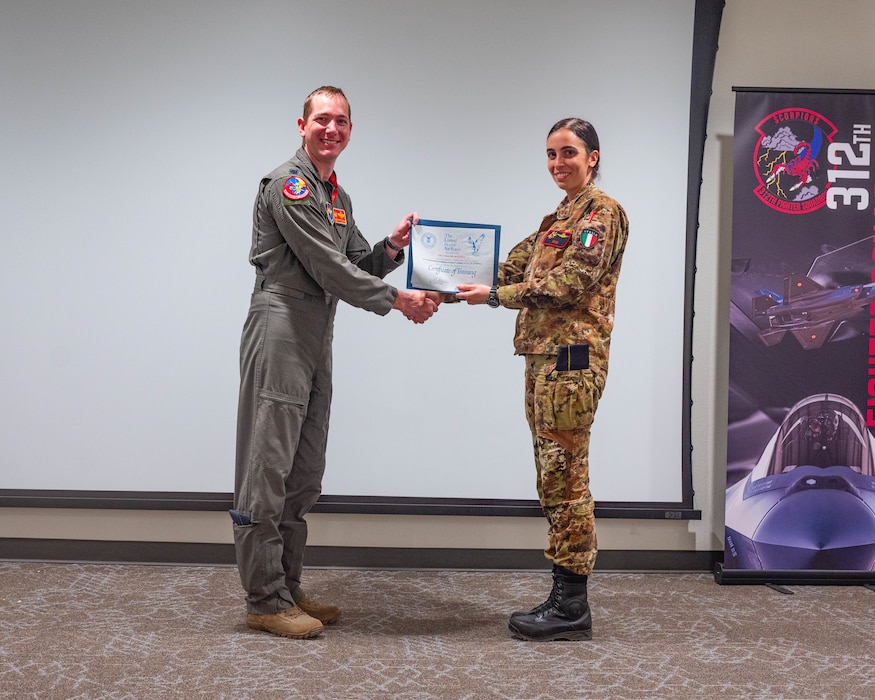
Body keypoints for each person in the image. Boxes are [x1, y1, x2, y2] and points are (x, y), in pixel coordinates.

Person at [231, 86, 436, 639]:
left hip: (317, 333)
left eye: (341, 121)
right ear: (301, 125)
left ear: (350, 130)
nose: (332, 129)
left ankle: (287, 587)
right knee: (267, 465)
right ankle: (263, 598)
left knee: (304, 471)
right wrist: (398, 302)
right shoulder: (289, 185)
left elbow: (357, 262)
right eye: (322, 119)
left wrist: (392, 248)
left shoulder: (336, 196)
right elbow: (326, 266)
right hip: (281, 327)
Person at [455, 118, 629, 641]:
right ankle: (564, 596)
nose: (559, 163)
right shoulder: (559, 217)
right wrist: (448, 277)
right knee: (553, 474)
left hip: (571, 363)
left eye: (569, 152)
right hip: (544, 361)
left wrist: (493, 296)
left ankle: (571, 604)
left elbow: (569, 283)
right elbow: (510, 267)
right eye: (551, 154)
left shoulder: (602, 213)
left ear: (593, 156)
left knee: (566, 477)